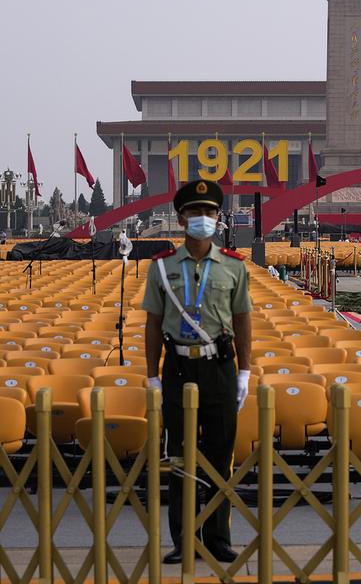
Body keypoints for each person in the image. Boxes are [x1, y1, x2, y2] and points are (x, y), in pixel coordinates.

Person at [142, 179, 252, 565]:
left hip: (219, 365)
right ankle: (184, 538)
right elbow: (153, 323)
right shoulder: (161, 268)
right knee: (180, 455)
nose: (202, 219)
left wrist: (245, 372)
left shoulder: (234, 268)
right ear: (181, 218)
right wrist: (151, 374)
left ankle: (218, 536)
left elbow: (242, 321)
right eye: (194, 212)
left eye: (209, 212)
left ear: (218, 218)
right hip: (177, 367)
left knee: (221, 452)